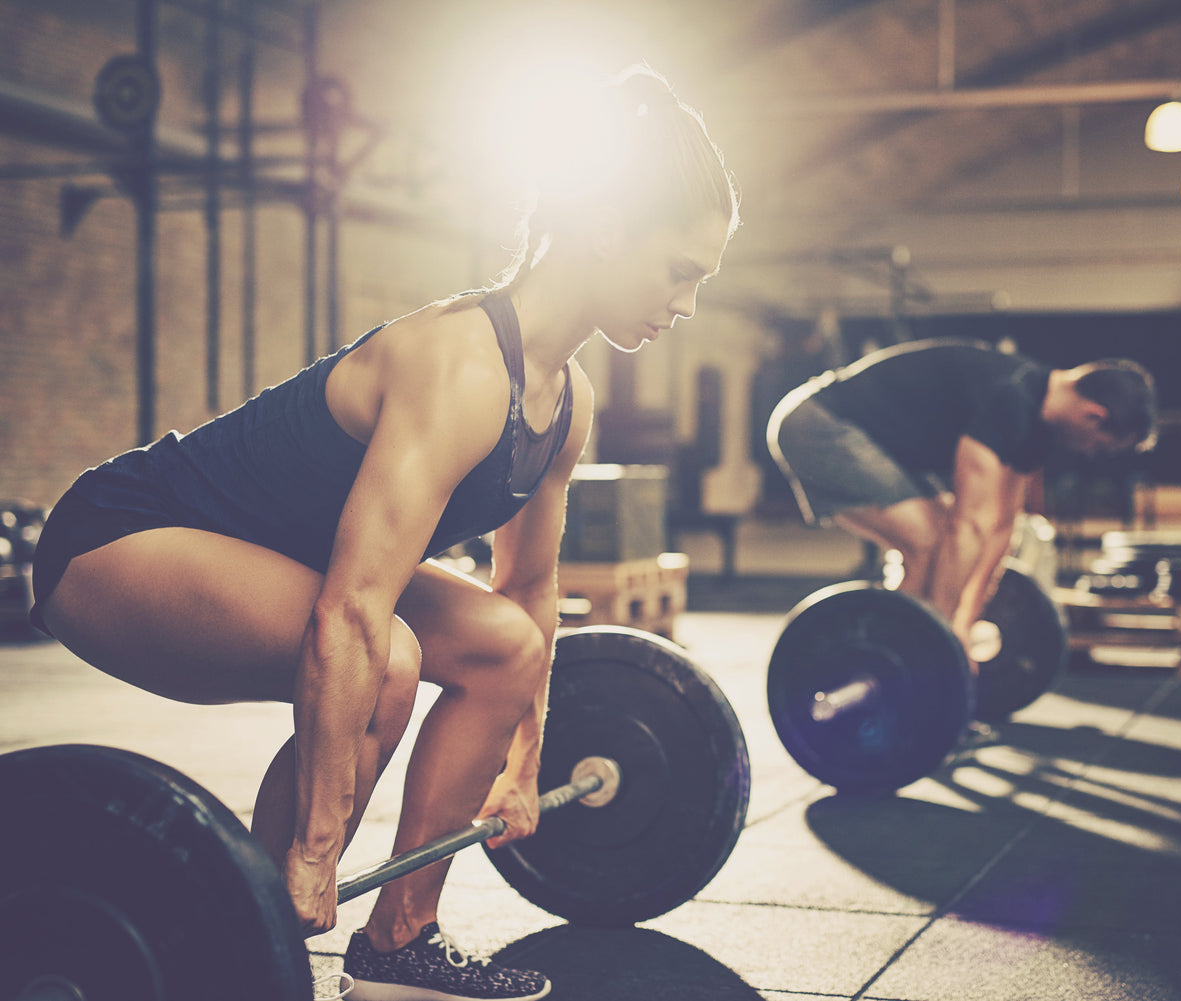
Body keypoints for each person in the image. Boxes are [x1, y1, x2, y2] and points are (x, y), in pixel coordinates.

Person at [29, 65, 738, 1001]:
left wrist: (526, 756)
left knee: (504, 644)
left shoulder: (567, 404)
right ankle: (237, 935)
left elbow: (525, 592)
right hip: (116, 542)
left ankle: (398, 940)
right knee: (387, 658)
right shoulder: (461, 368)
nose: (685, 304)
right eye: (679, 271)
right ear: (609, 231)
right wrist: (319, 848)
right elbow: (352, 611)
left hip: (289, 567)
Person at [767, 339, 1155, 651]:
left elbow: (1002, 528)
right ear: (1094, 416)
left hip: (870, 442)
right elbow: (968, 527)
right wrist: (943, 638)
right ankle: (887, 658)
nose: (1092, 455)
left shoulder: (1035, 426)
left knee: (934, 546)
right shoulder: (1009, 398)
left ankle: (891, 655)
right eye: (1102, 447)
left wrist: (964, 622)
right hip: (817, 421)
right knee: (932, 541)